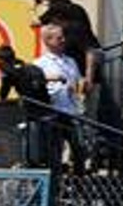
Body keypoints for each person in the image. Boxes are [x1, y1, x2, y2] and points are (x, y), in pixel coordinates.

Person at [34, 23, 88, 174]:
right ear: (48, 41)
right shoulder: (40, 64)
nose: (64, 40)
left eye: (63, 36)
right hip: (54, 112)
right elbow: (36, 85)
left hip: (71, 111)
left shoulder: (71, 61)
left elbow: (78, 82)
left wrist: (81, 86)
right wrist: (52, 80)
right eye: (59, 38)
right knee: (54, 152)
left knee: (79, 149)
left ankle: (79, 184)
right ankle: (55, 187)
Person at [0, 43, 53, 167]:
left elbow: (5, 86)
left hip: (31, 108)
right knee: (43, 135)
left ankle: (32, 161)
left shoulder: (8, 69)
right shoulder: (27, 66)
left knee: (31, 135)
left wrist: (1, 97)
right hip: (45, 106)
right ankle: (43, 160)